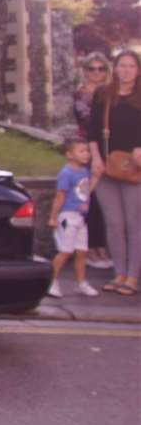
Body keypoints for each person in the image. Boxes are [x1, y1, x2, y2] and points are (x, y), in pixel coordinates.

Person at [82, 49, 141, 296]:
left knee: (133, 224)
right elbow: (93, 131)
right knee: (114, 224)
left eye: (131, 66)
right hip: (106, 167)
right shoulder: (104, 95)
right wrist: (95, 159)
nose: (126, 70)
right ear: (115, 68)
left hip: (135, 169)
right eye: (122, 65)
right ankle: (119, 273)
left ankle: (132, 276)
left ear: (138, 70)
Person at [73, 54, 114, 270]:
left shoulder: (109, 94)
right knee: (90, 201)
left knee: (104, 201)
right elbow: (89, 122)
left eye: (101, 69)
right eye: (92, 69)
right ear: (85, 70)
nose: (96, 73)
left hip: (109, 151)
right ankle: (90, 248)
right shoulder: (82, 95)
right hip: (88, 153)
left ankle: (101, 246)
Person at [47, 136, 99, 298]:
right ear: (69, 154)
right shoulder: (66, 173)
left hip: (80, 218)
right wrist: (53, 216)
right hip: (68, 217)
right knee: (65, 251)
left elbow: (85, 192)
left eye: (87, 151)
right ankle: (51, 282)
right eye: (81, 151)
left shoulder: (84, 171)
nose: (86, 154)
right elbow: (60, 196)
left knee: (81, 252)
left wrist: (96, 178)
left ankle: (81, 282)